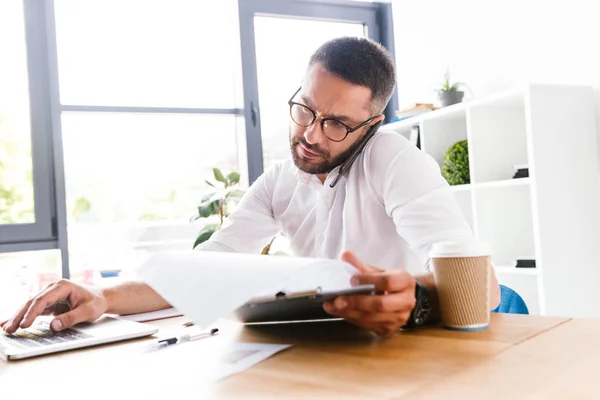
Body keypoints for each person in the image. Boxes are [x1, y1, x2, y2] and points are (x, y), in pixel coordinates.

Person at [1, 37, 500, 337]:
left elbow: (487, 286)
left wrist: (414, 298)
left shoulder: (393, 160)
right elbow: (203, 267)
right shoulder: (280, 180)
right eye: (305, 108)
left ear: (371, 125)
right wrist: (102, 295)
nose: (308, 134)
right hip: (348, 341)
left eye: (336, 124)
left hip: (436, 332)